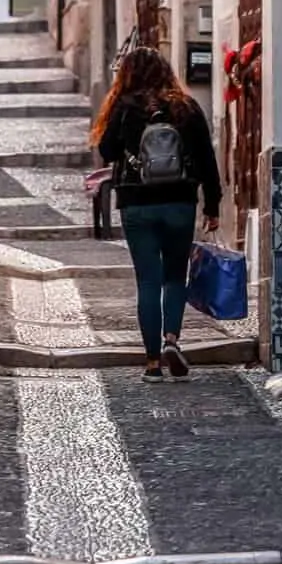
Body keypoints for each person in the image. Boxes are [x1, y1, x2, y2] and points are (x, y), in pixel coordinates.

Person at [92, 45, 222, 381]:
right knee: (175, 276)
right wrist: (212, 205)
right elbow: (207, 159)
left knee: (148, 280)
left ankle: (151, 363)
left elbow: (105, 151)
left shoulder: (124, 107)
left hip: (136, 203)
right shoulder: (185, 106)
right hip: (179, 202)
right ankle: (172, 340)